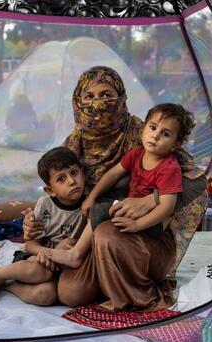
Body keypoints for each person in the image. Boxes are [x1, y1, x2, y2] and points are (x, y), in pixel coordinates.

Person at [23, 66, 207, 311]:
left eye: (107, 94)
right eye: (89, 97)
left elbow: (199, 180)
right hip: (92, 236)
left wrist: (151, 200)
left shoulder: (142, 136)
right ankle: (103, 278)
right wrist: (35, 224)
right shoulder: (74, 144)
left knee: (107, 233)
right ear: (78, 101)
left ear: (120, 97)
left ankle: (128, 288)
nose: (98, 104)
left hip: (140, 238)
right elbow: (61, 194)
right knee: (69, 293)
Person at [44, 103, 195, 269]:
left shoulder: (169, 168)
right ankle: (86, 253)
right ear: (144, 129)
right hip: (132, 206)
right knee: (100, 202)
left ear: (175, 145)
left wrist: (139, 224)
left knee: (101, 209)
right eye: (152, 127)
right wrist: (91, 197)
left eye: (165, 134)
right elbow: (112, 174)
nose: (155, 136)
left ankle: (76, 254)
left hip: (153, 222)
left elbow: (167, 207)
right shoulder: (137, 154)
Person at [0, 147, 87, 306]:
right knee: (41, 271)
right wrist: (48, 253)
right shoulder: (45, 205)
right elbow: (31, 244)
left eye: (74, 173)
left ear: (83, 173)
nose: (71, 181)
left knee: (46, 295)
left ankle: (8, 285)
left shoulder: (89, 205)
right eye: (61, 179)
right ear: (50, 190)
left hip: (63, 266)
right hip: (36, 260)